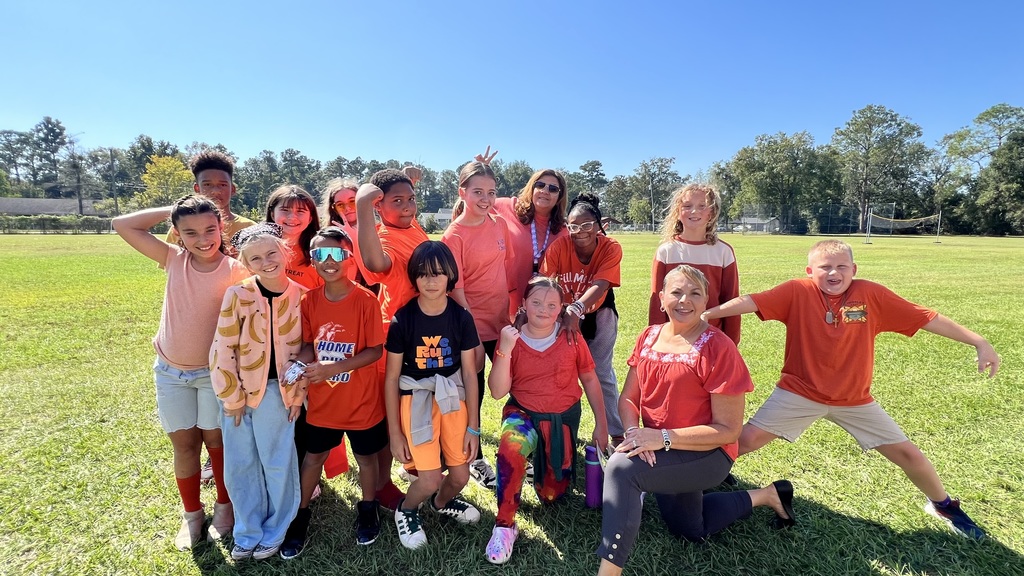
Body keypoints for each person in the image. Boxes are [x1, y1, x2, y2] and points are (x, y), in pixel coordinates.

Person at [702, 239, 1000, 541]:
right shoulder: (797, 291)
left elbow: (925, 317)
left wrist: (979, 341)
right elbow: (750, 301)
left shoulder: (871, 294)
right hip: (799, 392)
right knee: (744, 440)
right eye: (825, 267)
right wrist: (704, 315)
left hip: (855, 401)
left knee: (909, 455)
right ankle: (694, 478)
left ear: (854, 269)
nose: (834, 273)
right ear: (809, 271)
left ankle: (943, 505)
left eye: (842, 266)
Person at [596, 265, 793, 576]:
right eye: (676, 292)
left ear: (705, 302)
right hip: (658, 446)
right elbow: (629, 399)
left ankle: (608, 572)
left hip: (707, 453)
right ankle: (767, 495)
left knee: (622, 470)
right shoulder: (648, 337)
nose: (684, 300)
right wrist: (635, 433)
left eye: (694, 293)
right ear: (660, 299)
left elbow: (728, 431)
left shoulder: (718, 347)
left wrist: (660, 438)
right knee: (690, 528)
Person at [112, 195, 249, 550]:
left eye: (210, 229)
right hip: (171, 373)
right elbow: (122, 224)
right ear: (176, 234)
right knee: (185, 446)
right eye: (190, 232)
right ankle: (192, 516)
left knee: (217, 445)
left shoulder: (237, 271)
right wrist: (175, 207)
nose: (203, 239)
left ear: (222, 228)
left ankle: (224, 507)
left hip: (214, 375)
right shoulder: (173, 259)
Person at [279, 227, 398, 558]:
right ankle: (300, 516)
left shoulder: (365, 300)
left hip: (361, 403)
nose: (328, 261)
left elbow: (375, 350)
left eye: (335, 254)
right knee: (312, 457)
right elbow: (307, 345)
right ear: (312, 259)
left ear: (348, 257)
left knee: (366, 458)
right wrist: (298, 365)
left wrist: (334, 368)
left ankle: (368, 507)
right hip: (323, 403)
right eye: (320, 254)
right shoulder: (309, 301)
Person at [485, 276, 608, 564]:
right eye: (536, 302)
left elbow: (589, 378)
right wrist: (504, 348)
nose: (543, 309)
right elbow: (498, 391)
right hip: (524, 413)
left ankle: (536, 464)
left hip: (560, 420)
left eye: (551, 304)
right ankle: (504, 525)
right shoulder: (512, 337)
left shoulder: (570, 336)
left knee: (552, 496)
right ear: (524, 304)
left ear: (561, 308)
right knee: (511, 450)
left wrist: (602, 424)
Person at [209, 223, 305, 561]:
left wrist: (296, 394)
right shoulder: (238, 295)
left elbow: (307, 351)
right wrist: (231, 398)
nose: (266, 262)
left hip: (279, 395)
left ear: (284, 253)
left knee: (277, 463)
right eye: (256, 258)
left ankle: (276, 529)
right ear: (246, 264)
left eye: (271, 253)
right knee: (240, 465)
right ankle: (247, 531)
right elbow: (223, 348)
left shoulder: (301, 295)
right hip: (238, 395)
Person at [384, 241, 482, 550]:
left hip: (453, 399)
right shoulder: (403, 320)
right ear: (414, 277)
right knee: (426, 478)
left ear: (451, 275)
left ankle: (440, 503)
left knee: (460, 475)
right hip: (417, 401)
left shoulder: (461, 317)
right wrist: (395, 432)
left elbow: (469, 373)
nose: (431, 281)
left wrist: (474, 428)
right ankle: (408, 509)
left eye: (439, 274)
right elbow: (391, 378)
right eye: (424, 274)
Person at [442, 160, 515, 490]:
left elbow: (502, 271)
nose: (485, 199)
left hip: (501, 324)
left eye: (491, 192)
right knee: (474, 394)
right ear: (463, 193)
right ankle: (476, 458)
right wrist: (470, 333)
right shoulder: (453, 235)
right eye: (477, 192)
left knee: (518, 385)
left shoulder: (498, 223)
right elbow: (455, 288)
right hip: (470, 328)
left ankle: (519, 452)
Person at [540, 193, 625, 444]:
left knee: (601, 372)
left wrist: (575, 309)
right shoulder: (559, 246)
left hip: (599, 314)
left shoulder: (611, 247)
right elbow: (545, 280)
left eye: (587, 225)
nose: (580, 231)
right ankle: (556, 427)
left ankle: (617, 432)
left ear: (599, 226)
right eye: (574, 226)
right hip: (563, 314)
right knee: (559, 371)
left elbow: (601, 284)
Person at [649, 183, 740, 343]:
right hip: (674, 340)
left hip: (712, 338)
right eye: (687, 205)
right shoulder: (666, 251)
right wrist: (656, 340)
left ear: (711, 213)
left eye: (702, 206)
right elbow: (658, 300)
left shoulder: (723, 251)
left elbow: (731, 301)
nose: (694, 211)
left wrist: (731, 342)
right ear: (677, 212)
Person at [493, 169, 569, 319]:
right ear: (531, 188)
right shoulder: (506, 206)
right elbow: (470, 207)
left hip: (540, 309)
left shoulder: (562, 230)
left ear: (560, 196)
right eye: (540, 185)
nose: (545, 191)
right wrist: (479, 173)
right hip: (501, 303)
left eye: (553, 189)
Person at [166, 149, 256, 255]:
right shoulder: (181, 229)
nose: (215, 191)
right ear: (197, 188)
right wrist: (180, 209)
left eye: (222, 185)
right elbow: (171, 269)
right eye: (207, 185)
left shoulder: (250, 228)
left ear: (233, 189)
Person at [265, 184, 322, 290]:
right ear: (272, 214)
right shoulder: (256, 249)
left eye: (300, 211)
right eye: (285, 210)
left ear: (310, 218)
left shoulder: (319, 255)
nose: (292, 217)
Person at [320, 177, 371, 286]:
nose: (347, 208)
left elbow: (373, 276)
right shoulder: (327, 238)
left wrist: (355, 238)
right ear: (333, 209)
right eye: (340, 205)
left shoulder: (378, 231)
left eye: (352, 202)